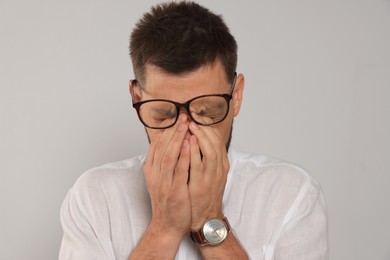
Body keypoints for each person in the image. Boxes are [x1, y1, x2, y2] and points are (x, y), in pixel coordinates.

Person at [59, 2, 328, 259]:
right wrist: (163, 229)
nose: (186, 131)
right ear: (137, 99)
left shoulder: (292, 194)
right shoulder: (93, 196)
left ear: (236, 96)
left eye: (207, 110)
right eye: (164, 113)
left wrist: (209, 220)